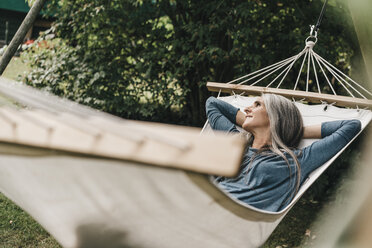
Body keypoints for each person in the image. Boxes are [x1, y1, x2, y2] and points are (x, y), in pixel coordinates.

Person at [205, 94, 361, 212]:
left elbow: (352, 126)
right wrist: (247, 120)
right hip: (202, 203)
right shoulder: (237, 142)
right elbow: (212, 103)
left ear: (275, 117)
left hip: (230, 216)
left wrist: (293, 131)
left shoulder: (296, 160)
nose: (246, 109)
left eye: (257, 105)